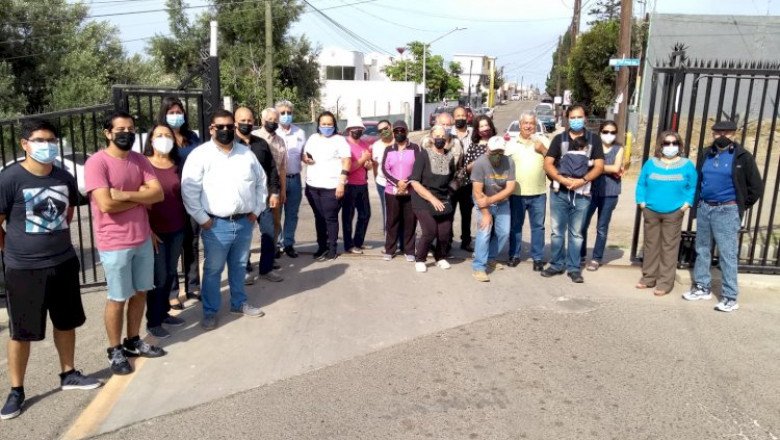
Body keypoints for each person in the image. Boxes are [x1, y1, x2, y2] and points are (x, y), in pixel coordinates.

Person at [0, 120, 101, 420]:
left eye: (52, 140)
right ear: (24, 144)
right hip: (24, 269)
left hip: (63, 262)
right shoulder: (10, 178)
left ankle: (68, 373)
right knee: (21, 333)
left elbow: (68, 211)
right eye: (40, 140)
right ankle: (16, 390)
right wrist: (10, 249)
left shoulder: (63, 175)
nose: (47, 145)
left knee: (66, 322)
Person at [84, 111, 167, 375]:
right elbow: (106, 203)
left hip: (142, 238)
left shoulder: (140, 160)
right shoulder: (97, 163)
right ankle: (115, 349)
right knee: (118, 297)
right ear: (107, 133)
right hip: (115, 242)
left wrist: (125, 195)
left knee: (141, 291)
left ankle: (133, 340)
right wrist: (141, 197)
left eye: (131, 129)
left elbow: (158, 194)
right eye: (120, 129)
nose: (127, 133)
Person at [181, 109, 268, 330]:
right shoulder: (200, 155)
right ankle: (210, 312)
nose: (226, 130)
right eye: (221, 127)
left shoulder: (246, 154)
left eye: (230, 126)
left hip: (244, 222)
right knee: (213, 270)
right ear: (211, 128)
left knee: (239, 266)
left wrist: (256, 211)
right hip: (215, 224)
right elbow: (189, 190)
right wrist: (202, 219)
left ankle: (239, 303)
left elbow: (261, 183)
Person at [683, 120, 763, 312]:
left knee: (727, 254)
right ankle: (702, 287)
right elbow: (699, 180)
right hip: (705, 208)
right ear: (713, 135)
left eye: (726, 132)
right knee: (702, 248)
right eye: (717, 133)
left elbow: (756, 187)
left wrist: (740, 205)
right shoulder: (705, 154)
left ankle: (730, 296)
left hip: (727, 210)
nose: (721, 136)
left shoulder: (742, 157)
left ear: (733, 134)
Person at [542, 104, 604, 283]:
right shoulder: (558, 139)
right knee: (557, 232)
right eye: (573, 117)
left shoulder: (594, 140)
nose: (576, 120)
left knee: (576, 233)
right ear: (568, 119)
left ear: (585, 118)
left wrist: (582, 180)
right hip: (559, 193)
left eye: (579, 117)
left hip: (583, 194)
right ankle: (556, 264)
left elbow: (599, 166)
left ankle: (574, 268)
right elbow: (548, 164)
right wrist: (562, 180)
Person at [635, 131, 697, 296]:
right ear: (660, 145)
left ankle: (664, 283)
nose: (670, 146)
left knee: (669, 247)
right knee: (651, 244)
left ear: (679, 145)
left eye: (674, 143)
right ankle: (649, 278)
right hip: (651, 210)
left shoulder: (687, 165)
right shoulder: (651, 163)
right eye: (666, 143)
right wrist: (642, 203)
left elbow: (692, 186)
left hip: (674, 212)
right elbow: (641, 184)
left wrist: (685, 205)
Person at [142, 124, 187, 339]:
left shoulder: (178, 164)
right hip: (154, 231)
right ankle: (154, 320)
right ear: (151, 140)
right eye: (158, 135)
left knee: (170, 273)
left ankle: (164, 312)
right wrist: (147, 230)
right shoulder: (143, 165)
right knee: (158, 277)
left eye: (168, 135)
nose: (163, 139)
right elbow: (139, 202)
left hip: (177, 227)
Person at [157, 97, 202, 306]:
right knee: (172, 247)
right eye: (171, 112)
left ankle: (193, 287)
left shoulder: (192, 137)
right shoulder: (161, 138)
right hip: (170, 200)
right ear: (164, 114)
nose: (176, 116)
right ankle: (172, 292)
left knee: (191, 244)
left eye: (179, 111)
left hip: (192, 198)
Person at [235, 107, 282, 285]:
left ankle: (266, 268)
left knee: (269, 232)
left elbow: (272, 169)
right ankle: (244, 269)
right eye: (243, 120)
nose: (247, 123)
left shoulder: (261, 143)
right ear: (235, 122)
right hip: (242, 200)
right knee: (243, 235)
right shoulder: (231, 143)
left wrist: (275, 192)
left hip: (263, 198)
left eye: (249, 120)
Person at [302, 111, 351, 260]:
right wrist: (306, 159)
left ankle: (332, 248)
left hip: (332, 186)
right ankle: (321, 246)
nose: (326, 127)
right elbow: (305, 155)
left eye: (329, 124)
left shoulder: (340, 140)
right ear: (318, 125)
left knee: (330, 218)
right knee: (319, 217)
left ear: (334, 125)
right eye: (323, 124)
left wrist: (341, 183)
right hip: (313, 186)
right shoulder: (313, 138)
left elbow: (347, 162)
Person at [408, 125, 456, 272]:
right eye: (437, 136)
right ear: (431, 137)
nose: (440, 139)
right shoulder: (423, 155)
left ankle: (440, 257)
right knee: (430, 231)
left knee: (444, 233)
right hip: (422, 198)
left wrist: (449, 192)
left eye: (443, 136)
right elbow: (415, 182)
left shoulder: (450, 156)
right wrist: (432, 199)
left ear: (447, 138)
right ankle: (420, 258)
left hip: (442, 198)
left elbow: (452, 179)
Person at [505, 111, 549, 270]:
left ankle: (537, 258)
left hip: (538, 193)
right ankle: (514, 255)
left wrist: (543, 149)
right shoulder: (511, 143)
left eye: (531, 123)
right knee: (515, 226)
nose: (529, 126)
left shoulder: (543, 140)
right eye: (526, 123)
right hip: (516, 194)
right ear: (520, 124)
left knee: (538, 227)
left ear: (535, 124)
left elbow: (553, 160)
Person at [471, 136, 516, 282]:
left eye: (500, 152)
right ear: (487, 149)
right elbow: (477, 192)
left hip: (501, 202)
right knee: (484, 232)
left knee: (503, 232)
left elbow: (510, 188)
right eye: (493, 151)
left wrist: (491, 200)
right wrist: (485, 213)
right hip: (482, 201)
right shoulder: (480, 163)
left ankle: (491, 257)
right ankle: (479, 267)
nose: (496, 155)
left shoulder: (509, 162)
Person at [581, 120, 624, 271]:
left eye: (612, 132)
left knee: (602, 227)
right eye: (605, 131)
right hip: (590, 190)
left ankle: (596, 258)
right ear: (600, 132)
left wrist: (596, 166)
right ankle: (581, 255)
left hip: (610, 193)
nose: (609, 135)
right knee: (582, 224)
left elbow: (616, 167)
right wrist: (607, 168)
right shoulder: (592, 148)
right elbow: (583, 162)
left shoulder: (619, 149)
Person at [382, 120, 421, 261]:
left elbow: (418, 168)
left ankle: (409, 250)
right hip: (392, 191)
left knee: (410, 221)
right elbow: (384, 169)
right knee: (392, 221)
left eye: (402, 131)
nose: (399, 133)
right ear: (393, 133)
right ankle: (390, 249)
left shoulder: (415, 148)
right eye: (396, 131)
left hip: (411, 191)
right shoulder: (389, 149)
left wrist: (406, 182)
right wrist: (397, 182)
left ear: (407, 132)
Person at [253, 108, 287, 257]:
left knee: (274, 224)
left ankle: (270, 256)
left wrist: (283, 190)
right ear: (262, 120)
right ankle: (244, 262)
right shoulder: (254, 137)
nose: (273, 123)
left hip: (273, 188)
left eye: (275, 120)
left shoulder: (280, 141)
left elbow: (282, 168)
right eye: (270, 119)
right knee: (248, 226)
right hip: (254, 188)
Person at [275, 100, 306, 258]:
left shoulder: (300, 133)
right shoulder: (273, 132)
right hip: (277, 181)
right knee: (276, 214)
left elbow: (303, 155)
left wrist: (307, 158)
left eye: (289, 112)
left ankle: (288, 244)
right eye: (282, 113)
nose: (286, 115)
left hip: (294, 179)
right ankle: (277, 244)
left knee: (292, 214)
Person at [342, 116, 372, 254]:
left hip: (362, 184)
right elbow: (348, 168)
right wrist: (362, 160)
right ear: (349, 130)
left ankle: (358, 242)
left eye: (360, 129)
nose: (357, 131)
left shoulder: (365, 145)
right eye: (355, 128)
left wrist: (368, 164)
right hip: (349, 185)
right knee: (348, 216)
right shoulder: (344, 145)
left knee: (365, 214)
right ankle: (348, 245)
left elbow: (368, 165)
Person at [451, 106, 475, 252]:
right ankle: (447, 239)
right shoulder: (448, 133)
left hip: (468, 181)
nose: (460, 118)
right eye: (457, 116)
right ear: (453, 118)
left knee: (467, 213)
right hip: (452, 180)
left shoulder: (473, 133)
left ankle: (466, 240)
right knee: (449, 212)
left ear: (467, 117)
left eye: (463, 116)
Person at [371, 119, 393, 232]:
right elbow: (375, 165)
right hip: (383, 183)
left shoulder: (399, 142)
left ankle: (403, 240)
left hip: (401, 184)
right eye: (380, 131)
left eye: (386, 128)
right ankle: (388, 237)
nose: (384, 132)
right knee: (387, 210)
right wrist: (376, 180)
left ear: (391, 127)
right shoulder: (376, 146)